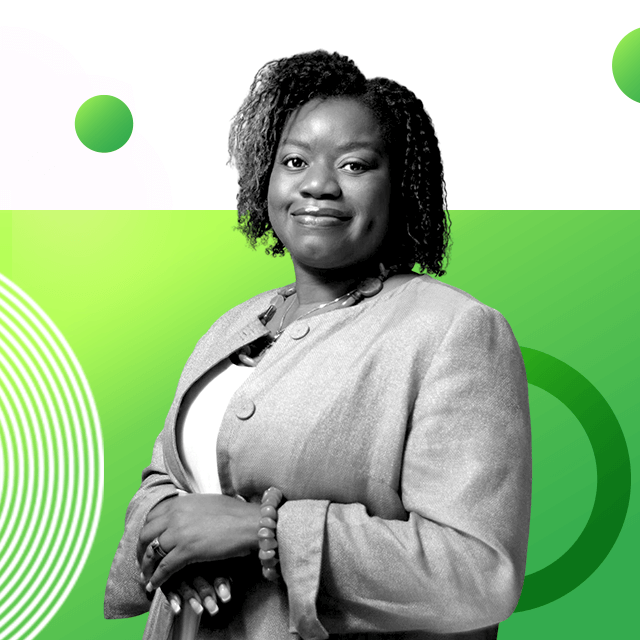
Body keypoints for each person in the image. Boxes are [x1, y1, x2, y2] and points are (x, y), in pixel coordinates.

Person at [104, 50, 531, 640]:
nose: (318, 185)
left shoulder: (452, 330)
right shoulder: (233, 327)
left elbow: (476, 573)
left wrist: (263, 533)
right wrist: (170, 539)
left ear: (400, 184)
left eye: (355, 165)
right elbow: (167, 480)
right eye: (295, 160)